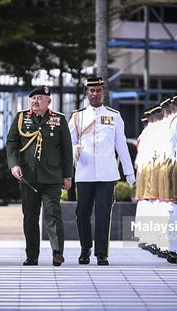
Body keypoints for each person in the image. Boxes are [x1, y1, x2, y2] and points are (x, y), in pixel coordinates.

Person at [68, 77, 135, 266]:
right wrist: (75, 152)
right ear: (87, 93)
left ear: (103, 92)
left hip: (107, 173)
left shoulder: (114, 115)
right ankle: (85, 249)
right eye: (91, 91)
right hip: (84, 171)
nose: (95, 94)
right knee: (82, 213)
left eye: (98, 90)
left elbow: (122, 146)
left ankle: (101, 253)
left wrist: (129, 173)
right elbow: (68, 143)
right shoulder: (77, 116)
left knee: (103, 213)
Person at [6, 86, 73, 266]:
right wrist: (14, 165)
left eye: (40, 98)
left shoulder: (58, 119)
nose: (35, 101)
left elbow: (67, 150)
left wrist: (68, 175)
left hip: (52, 176)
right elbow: (11, 143)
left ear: (48, 101)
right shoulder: (21, 118)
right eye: (33, 98)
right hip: (28, 176)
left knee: (53, 214)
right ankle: (32, 255)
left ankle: (57, 252)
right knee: (30, 217)